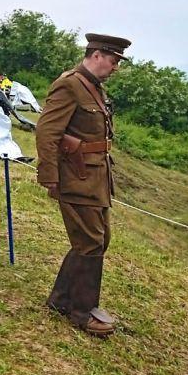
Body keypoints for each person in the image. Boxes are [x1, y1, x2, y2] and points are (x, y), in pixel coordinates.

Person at [35, 33, 131, 337]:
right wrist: (49, 176)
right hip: (75, 177)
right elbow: (47, 133)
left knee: (99, 241)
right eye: (114, 60)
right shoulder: (69, 85)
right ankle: (82, 311)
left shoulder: (94, 88)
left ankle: (61, 299)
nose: (115, 67)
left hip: (96, 177)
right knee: (90, 242)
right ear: (98, 55)